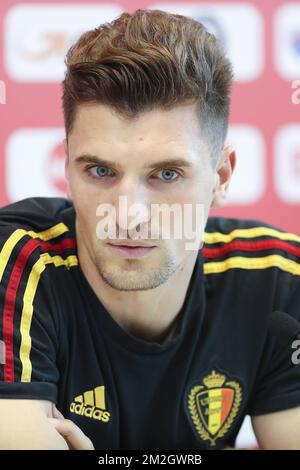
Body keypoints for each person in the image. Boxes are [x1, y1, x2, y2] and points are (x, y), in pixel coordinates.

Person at [0, 9, 300, 450]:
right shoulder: (18, 265)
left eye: (166, 175)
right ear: (65, 167)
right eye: (101, 171)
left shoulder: (276, 279)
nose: (128, 214)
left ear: (221, 177)